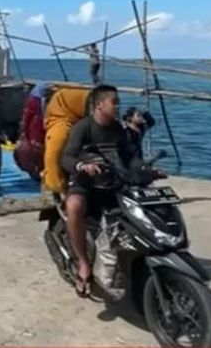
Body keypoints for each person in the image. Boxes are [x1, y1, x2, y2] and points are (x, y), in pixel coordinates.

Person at [60, 84, 145, 297]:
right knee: (74, 206)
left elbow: (129, 157)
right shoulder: (83, 127)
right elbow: (66, 157)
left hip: (112, 182)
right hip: (85, 183)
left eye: (118, 102)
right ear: (99, 105)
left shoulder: (118, 129)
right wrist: (82, 166)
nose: (118, 107)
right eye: (114, 102)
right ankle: (83, 264)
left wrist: (145, 170)